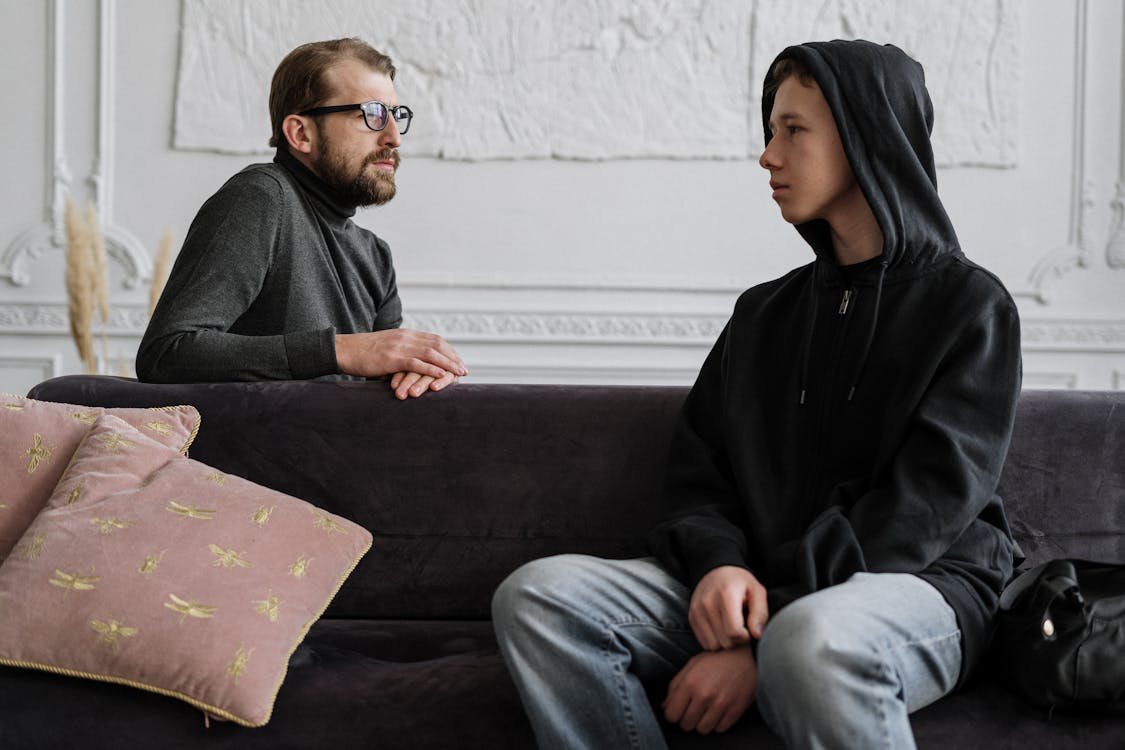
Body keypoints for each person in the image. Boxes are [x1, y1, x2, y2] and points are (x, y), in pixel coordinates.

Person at [492, 39, 1022, 749]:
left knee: (811, 639)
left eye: (792, 131)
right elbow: (698, 476)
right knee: (539, 598)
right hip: (761, 592)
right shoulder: (763, 315)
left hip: (923, 589)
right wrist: (719, 566)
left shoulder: (970, 307)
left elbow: (918, 513)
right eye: (770, 130)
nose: (768, 155)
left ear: (868, 138)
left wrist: (760, 631)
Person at [137, 38, 467, 399]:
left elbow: (382, 394)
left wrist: (420, 375)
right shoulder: (261, 198)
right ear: (301, 134)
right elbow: (167, 352)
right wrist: (343, 351)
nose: (393, 138)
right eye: (372, 114)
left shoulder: (375, 255)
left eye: (396, 115)